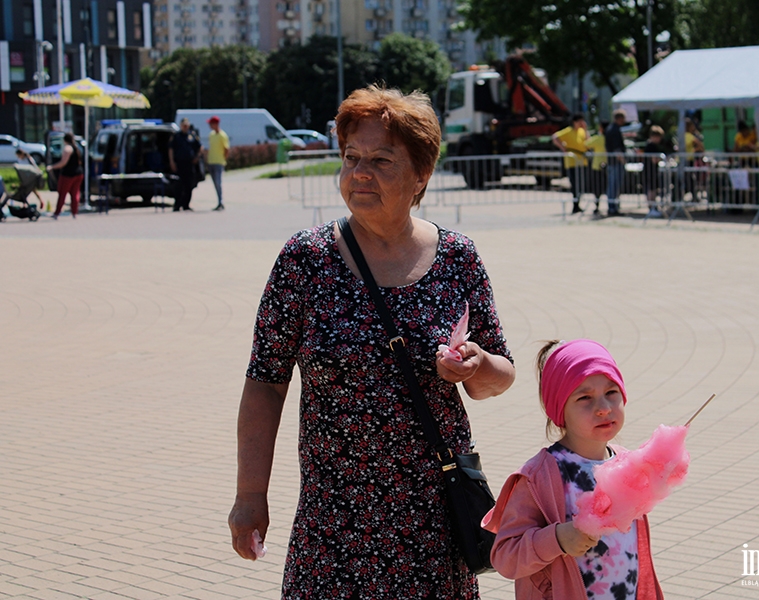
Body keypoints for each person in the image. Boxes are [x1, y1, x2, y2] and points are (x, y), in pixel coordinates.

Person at [228, 85, 516, 599]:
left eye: (382, 160)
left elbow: (500, 375)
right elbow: (265, 382)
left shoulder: (457, 257)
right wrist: (250, 494)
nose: (360, 172)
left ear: (421, 176)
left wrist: (477, 364)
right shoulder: (305, 259)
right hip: (333, 519)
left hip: (431, 517)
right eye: (351, 157)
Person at [483, 339, 664, 599]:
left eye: (611, 393)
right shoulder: (539, 477)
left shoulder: (628, 465)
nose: (603, 408)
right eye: (585, 398)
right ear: (559, 410)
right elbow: (505, 556)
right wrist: (557, 539)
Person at [552, 114, 590, 214]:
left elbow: (588, 142)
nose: (581, 123)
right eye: (579, 121)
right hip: (572, 162)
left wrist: (585, 129)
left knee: (581, 185)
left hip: (582, 161)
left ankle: (578, 203)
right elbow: (555, 137)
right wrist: (563, 148)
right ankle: (575, 205)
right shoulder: (568, 131)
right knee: (574, 185)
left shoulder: (582, 131)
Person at [168, 118, 202, 212]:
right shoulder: (176, 136)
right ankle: (177, 205)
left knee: (189, 185)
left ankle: (186, 205)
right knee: (178, 185)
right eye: (184, 125)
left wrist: (197, 157)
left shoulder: (192, 135)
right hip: (179, 164)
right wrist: (171, 162)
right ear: (180, 126)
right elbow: (171, 149)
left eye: (187, 125)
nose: (185, 127)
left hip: (189, 164)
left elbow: (200, 147)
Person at [48, 133, 84, 220]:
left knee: (62, 193)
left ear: (64, 140)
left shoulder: (67, 148)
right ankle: (75, 213)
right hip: (78, 173)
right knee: (75, 194)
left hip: (68, 174)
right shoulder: (76, 148)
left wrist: (52, 166)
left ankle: (57, 213)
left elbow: (63, 162)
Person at [604, 109, 627, 216]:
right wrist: (623, 161)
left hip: (612, 162)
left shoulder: (610, 129)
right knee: (614, 185)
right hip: (615, 162)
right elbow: (617, 149)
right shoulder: (615, 130)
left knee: (613, 185)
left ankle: (613, 206)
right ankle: (612, 208)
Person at [205, 115, 229, 211]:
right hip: (211, 161)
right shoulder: (211, 135)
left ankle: (221, 201)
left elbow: (226, 149)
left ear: (215, 124)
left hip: (219, 162)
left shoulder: (222, 135)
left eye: (211, 123)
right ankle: (219, 201)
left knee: (218, 182)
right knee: (215, 183)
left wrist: (223, 159)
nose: (209, 125)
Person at [642, 126, 665, 218]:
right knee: (652, 190)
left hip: (650, 170)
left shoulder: (649, 145)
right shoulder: (651, 146)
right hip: (650, 170)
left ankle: (653, 207)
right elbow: (654, 160)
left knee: (653, 189)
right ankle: (651, 208)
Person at [585, 124, 607, 216]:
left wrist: (586, 131)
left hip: (596, 166)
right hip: (607, 165)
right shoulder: (608, 138)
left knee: (597, 187)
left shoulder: (598, 138)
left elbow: (586, 144)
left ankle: (597, 205)